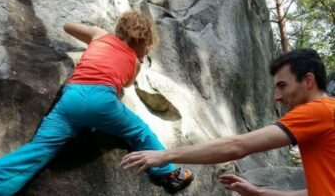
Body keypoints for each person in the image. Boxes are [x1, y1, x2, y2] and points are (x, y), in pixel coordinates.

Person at [0, 10, 194, 196]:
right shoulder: (136, 61)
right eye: (146, 48)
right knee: (139, 130)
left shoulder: (100, 35)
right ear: (143, 43)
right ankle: (169, 173)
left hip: (71, 98)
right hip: (102, 101)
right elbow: (126, 84)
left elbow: (67, 26)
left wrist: (95, 35)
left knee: (39, 149)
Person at [120, 48, 335, 196]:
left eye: (282, 86)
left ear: (308, 81)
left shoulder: (318, 111)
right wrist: (260, 193)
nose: (277, 97)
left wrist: (165, 155)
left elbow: (236, 146)